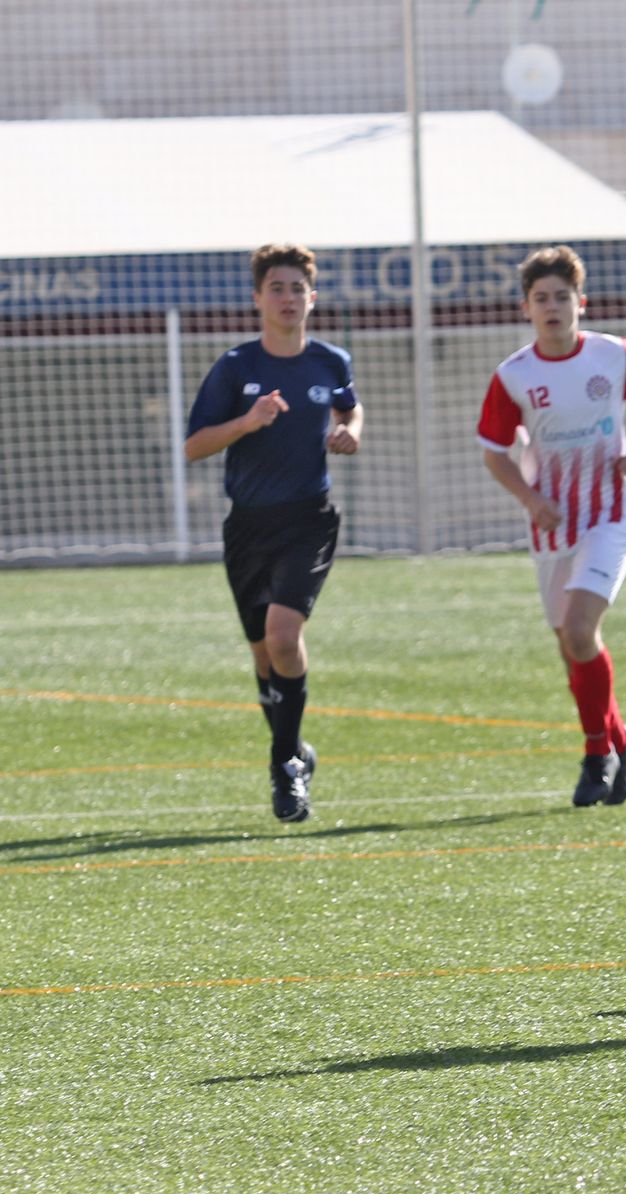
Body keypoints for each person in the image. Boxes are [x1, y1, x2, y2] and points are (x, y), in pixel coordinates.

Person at [476, 245, 626, 807]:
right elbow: (494, 451)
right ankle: (620, 737)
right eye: (541, 298)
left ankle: (598, 753)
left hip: (611, 514)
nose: (552, 307)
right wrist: (529, 497)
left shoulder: (613, 356)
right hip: (552, 524)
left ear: (580, 303)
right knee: (572, 650)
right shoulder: (514, 375)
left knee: (578, 631)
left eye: (561, 297)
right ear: (526, 309)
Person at [185, 242, 364, 824]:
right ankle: (294, 751)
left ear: (312, 298)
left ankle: (283, 768)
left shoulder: (331, 360)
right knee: (264, 655)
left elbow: (347, 408)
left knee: (283, 638)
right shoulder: (236, 366)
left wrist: (349, 431)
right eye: (277, 288)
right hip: (248, 527)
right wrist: (247, 421)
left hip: (308, 520)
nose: (288, 298)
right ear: (258, 297)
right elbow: (193, 447)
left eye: (297, 289)